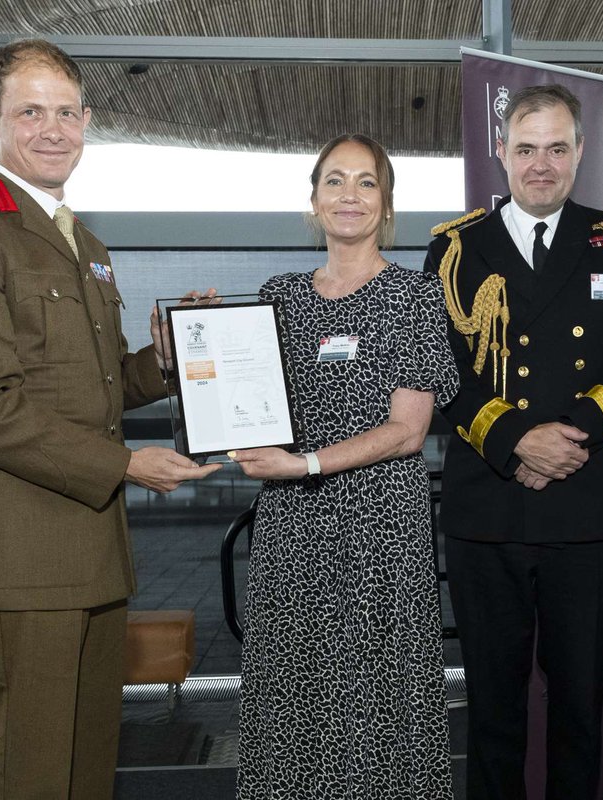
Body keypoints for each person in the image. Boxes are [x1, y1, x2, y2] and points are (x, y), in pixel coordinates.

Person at [0, 38, 219, 799]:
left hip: (90, 552)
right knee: (26, 771)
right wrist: (126, 466)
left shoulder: (82, 242)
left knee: (83, 767)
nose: (52, 129)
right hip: (20, 554)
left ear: (88, 119)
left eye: (67, 112)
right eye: (30, 111)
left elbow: (100, 386)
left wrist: (168, 361)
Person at [425, 84, 603, 799]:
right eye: (525, 148)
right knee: (492, 713)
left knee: (579, 711)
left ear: (580, 153)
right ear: (500, 152)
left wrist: (572, 437)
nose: (541, 164)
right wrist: (515, 441)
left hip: (587, 510)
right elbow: (440, 368)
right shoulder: (456, 246)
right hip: (489, 515)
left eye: (557, 148)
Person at [231, 133, 458, 799]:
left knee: (373, 691)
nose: (349, 195)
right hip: (291, 532)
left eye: (366, 182)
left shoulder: (417, 298)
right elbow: (245, 403)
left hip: (379, 531)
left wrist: (304, 464)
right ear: (312, 201)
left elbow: (407, 432)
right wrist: (180, 361)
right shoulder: (277, 296)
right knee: (292, 683)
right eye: (334, 181)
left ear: (387, 204)